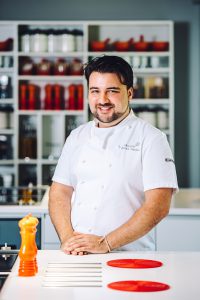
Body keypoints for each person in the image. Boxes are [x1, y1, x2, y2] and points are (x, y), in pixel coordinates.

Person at [49, 55, 178, 255]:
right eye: (95, 91)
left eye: (112, 91)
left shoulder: (152, 138)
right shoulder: (77, 136)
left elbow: (158, 206)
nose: (102, 100)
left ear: (129, 93)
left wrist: (105, 243)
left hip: (130, 257)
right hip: (79, 256)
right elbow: (59, 193)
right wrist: (68, 239)